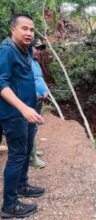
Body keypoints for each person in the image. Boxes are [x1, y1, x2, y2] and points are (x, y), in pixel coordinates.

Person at [0, 13, 45, 218]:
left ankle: (21, 185)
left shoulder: (25, 50)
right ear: (13, 29)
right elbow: (2, 85)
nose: (29, 33)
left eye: (32, 29)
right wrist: (23, 108)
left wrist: (33, 101)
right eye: (24, 28)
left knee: (26, 150)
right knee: (17, 155)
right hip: (14, 113)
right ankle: (9, 204)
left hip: (28, 112)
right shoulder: (7, 50)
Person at [30, 39, 48, 169]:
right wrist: (33, 93)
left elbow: (38, 78)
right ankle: (32, 158)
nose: (39, 51)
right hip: (31, 100)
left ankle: (33, 150)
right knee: (29, 128)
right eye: (37, 48)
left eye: (41, 49)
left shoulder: (35, 62)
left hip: (39, 100)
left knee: (34, 127)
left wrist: (45, 89)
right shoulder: (25, 61)